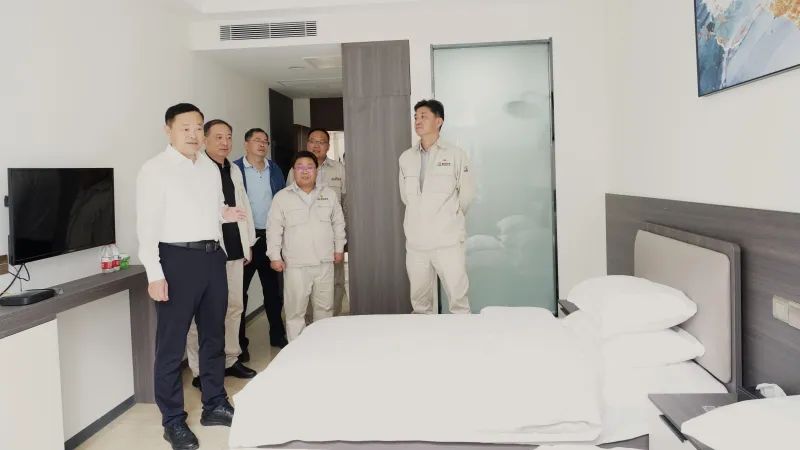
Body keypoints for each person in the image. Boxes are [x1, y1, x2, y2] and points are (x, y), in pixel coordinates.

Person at [137, 103, 245, 450]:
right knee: (171, 345)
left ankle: (214, 404)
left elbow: (209, 209)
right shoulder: (155, 169)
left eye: (199, 128)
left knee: (214, 336)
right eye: (186, 128)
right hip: (175, 259)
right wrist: (155, 274)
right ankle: (172, 421)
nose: (194, 134)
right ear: (168, 130)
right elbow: (147, 227)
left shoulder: (209, 168)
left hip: (212, 257)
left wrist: (225, 214)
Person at [186, 119, 258, 392]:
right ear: (204, 140)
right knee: (202, 315)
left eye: (228, 137)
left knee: (234, 307)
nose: (225, 142)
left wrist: (248, 242)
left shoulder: (233, 169)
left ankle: (230, 359)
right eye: (218, 137)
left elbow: (243, 205)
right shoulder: (196, 168)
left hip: (235, 248)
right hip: (209, 252)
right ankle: (199, 369)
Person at [398, 99, 476, 314]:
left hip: (447, 242)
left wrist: (449, 217)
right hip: (416, 243)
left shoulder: (455, 155)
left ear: (439, 121)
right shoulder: (406, 158)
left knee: (458, 302)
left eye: (423, 116)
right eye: (416, 117)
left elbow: (466, 195)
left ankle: (462, 335)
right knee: (420, 304)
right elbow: (406, 197)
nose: (418, 121)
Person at [267, 151, 346, 341]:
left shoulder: (328, 194)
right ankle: (296, 350)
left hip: (324, 263)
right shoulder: (282, 197)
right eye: (300, 167)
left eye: (310, 167)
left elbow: (338, 223)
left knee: (324, 309)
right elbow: (274, 228)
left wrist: (339, 249)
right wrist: (274, 256)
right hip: (296, 265)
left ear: (316, 171)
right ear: (293, 171)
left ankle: (322, 347)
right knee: (295, 312)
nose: (305, 171)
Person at [233, 128, 289, 352]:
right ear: (246, 144)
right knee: (239, 295)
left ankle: (277, 334)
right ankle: (240, 345)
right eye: (257, 140)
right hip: (245, 240)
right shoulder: (235, 169)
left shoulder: (274, 169)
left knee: (273, 292)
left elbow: (283, 199)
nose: (262, 145)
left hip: (269, 238)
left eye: (265, 141)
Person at [287, 128, 347, 316]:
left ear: (328, 146)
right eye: (312, 141)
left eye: (321, 142)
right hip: (301, 240)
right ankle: (308, 324)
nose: (316, 145)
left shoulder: (339, 169)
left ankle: (331, 322)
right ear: (307, 144)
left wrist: (342, 240)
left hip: (330, 239)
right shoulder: (294, 170)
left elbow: (346, 203)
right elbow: (288, 202)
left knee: (335, 282)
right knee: (303, 285)